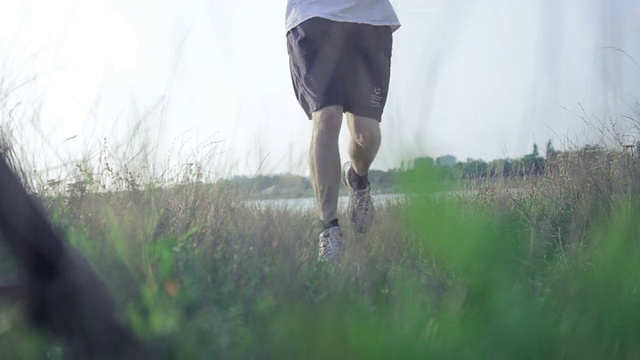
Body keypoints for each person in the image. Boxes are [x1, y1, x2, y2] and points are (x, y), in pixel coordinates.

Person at [285, 1, 401, 262]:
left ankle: (358, 180)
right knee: (326, 116)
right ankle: (329, 230)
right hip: (311, 16)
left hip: (369, 19)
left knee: (366, 134)